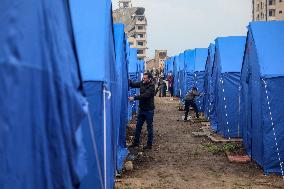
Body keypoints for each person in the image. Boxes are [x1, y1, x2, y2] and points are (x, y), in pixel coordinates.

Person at [129, 73, 155, 149]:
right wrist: (128, 80)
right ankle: (135, 143)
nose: (143, 79)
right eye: (143, 78)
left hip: (149, 110)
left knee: (149, 128)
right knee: (138, 127)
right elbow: (133, 85)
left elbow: (146, 95)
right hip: (142, 109)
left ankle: (149, 145)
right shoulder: (142, 83)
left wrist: (134, 98)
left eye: (145, 78)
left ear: (149, 79)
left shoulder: (152, 86)